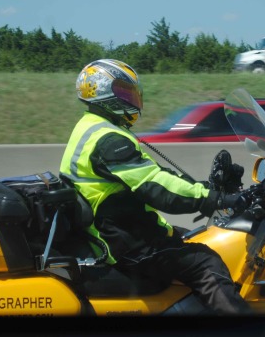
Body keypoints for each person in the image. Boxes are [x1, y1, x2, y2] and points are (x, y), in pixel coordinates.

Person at [59, 58, 252, 315]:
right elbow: (156, 188)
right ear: (102, 92)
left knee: (195, 236)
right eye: (124, 92)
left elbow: (157, 175)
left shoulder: (92, 127)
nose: (132, 98)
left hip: (115, 231)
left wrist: (208, 189)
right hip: (126, 245)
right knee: (206, 263)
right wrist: (215, 199)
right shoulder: (109, 140)